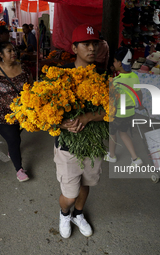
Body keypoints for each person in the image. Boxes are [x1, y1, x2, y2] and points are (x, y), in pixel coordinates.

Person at [55, 24, 106, 239]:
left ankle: (78, 214)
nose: (92, 48)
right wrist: (60, 122)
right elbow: (43, 113)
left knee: (86, 184)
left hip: (93, 144)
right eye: (86, 44)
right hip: (68, 146)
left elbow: (112, 108)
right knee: (69, 193)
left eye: (95, 43)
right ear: (75, 48)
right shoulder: (61, 75)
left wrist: (88, 117)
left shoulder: (102, 74)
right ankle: (64, 213)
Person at [0, 41, 33, 181]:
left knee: (16, 134)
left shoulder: (23, 68)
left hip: (23, 113)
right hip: (1, 114)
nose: (13, 53)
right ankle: (19, 169)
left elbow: (31, 86)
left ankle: (12, 149)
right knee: (14, 140)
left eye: (14, 50)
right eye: (9, 51)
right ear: (0, 54)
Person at [104, 47, 143, 167]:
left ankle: (112, 156)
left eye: (115, 61)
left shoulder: (116, 81)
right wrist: (140, 105)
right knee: (123, 133)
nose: (114, 63)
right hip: (130, 113)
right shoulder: (134, 76)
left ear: (120, 63)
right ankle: (135, 158)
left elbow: (112, 99)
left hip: (118, 114)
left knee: (112, 133)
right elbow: (139, 93)